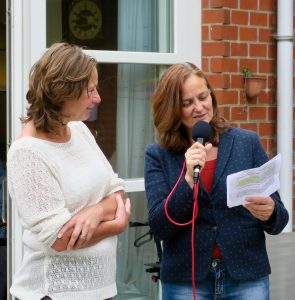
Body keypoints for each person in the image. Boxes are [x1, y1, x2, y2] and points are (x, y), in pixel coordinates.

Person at [144, 62, 289, 300]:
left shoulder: (247, 142)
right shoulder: (158, 154)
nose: (199, 107)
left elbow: (280, 220)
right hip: (186, 280)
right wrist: (188, 178)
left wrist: (270, 212)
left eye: (203, 97)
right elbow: (160, 227)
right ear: (172, 109)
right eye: (187, 103)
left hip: (246, 275)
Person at [7, 42, 131, 300]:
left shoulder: (79, 130)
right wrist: (114, 225)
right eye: (90, 90)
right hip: (53, 293)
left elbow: (116, 189)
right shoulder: (27, 152)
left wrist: (95, 212)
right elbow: (60, 240)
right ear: (64, 93)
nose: (97, 98)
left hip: (102, 290)